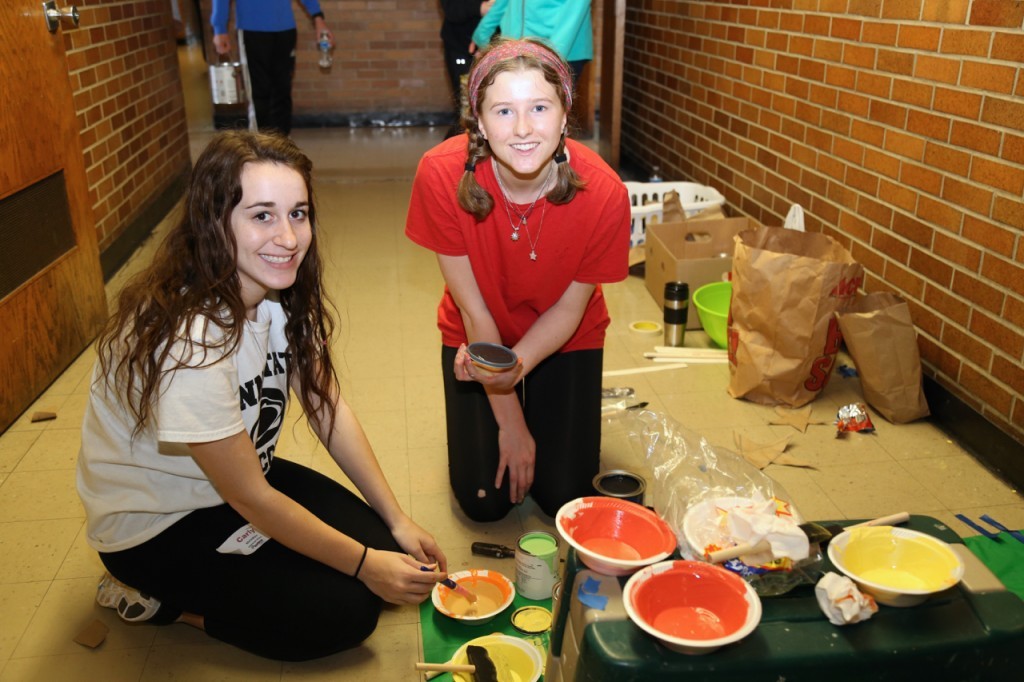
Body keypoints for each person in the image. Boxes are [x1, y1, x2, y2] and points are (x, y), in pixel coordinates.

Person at [77, 131, 447, 661]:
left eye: (298, 213)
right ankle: (162, 604)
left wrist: (396, 519)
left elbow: (325, 404)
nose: (289, 237)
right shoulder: (191, 341)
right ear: (214, 222)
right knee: (349, 611)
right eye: (262, 216)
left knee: (391, 553)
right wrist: (364, 565)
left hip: (236, 480)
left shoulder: (277, 291)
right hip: (157, 526)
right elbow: (250, 497)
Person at [405, 38, 630, 522]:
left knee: (563, 498)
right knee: (484, 502)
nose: (524, 129)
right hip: (479, 333)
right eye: (504, 111)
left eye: (540, 107)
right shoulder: (440, 175)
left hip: (565, 337)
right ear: (479, 122)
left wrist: (519, 365)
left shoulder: (605, 194)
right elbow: (474, 311)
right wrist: (510, 419)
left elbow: (570, 310)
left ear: (565, 114)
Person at [211, 0, 335, 135]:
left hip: (285, 29)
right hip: (252, 29)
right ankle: (262, 146)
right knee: (259, 93)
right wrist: (219, 28)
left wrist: (318, 18)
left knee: (283, 91)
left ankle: (282, 144)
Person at [470, 0, 593, 89]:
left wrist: (551, 56)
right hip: (513, 47)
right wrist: (482, 34)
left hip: (561, 51)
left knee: (546, 112)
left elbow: (575, 9)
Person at [440, 1, 496, 138]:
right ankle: (462, 150)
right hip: (462, 46)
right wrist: (480, 8)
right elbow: (451, 9)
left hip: (498, 46)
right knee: (466, 107)